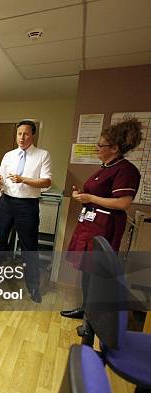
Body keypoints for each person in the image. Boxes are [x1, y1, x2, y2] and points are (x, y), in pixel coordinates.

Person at [61, 118, 142, 320]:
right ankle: (86, 309)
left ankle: (94, 316)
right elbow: (98, 196)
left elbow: (123, 203)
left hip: (104, 227)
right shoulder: (106, 167)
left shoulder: (126, 170)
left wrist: (90, 198)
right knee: (87, 270)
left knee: (97, 272)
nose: (97, 148)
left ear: (114, 148)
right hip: (90, 224)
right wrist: (82, 196)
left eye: (101, 145)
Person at [0, 120, 51, 303]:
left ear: (33, 135)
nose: (22, 138)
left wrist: (24, 179)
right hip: (6, 202)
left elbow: (46, 182)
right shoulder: (9, 155)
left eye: (26, 134)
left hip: (27, 206)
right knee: (0, 241)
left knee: (29, 246)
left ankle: (33, 285)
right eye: (19, 134)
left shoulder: (42, 155)